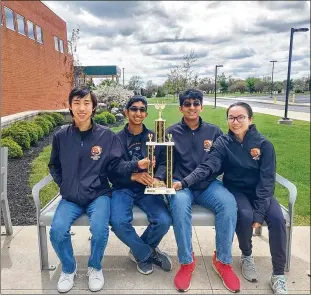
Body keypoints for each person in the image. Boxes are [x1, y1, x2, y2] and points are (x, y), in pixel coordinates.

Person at [174, 102, 288, 294]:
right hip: (237, 190)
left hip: (261, 191)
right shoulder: (223, 143)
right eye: (231, 118)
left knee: (277, 219)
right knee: (243, 213)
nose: (235, 122)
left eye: (240, 117)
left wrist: (260, 212)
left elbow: (267, 181)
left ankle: (278, 274)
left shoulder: (264, 144)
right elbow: (208, 166)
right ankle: (246, 255)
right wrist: (185, 182)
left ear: (250, 119)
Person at [48, 88, 150, 293]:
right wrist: (64, 184)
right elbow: (53, 165)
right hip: (71, 198)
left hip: (98, 195)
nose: (82, 107)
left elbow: (115, 166)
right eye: (77, 103)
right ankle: (69, 268)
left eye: (86, 103)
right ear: (70, 106)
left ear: (93, 107)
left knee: (100, 230)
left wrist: (135, 164)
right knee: (57, 231)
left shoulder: (106, 136)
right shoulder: (61, 136)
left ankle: (95, 267)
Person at [158, 89, 240, 293]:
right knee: (178, 204)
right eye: (187, 104)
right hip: (179, 186)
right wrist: (160, 177)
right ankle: (187, 262)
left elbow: (218, 162)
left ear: (201, 106)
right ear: (180, 108)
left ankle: (222, 260)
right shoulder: (170, 132)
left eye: (196, 103)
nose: (192, 107)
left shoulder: (214, 132)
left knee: (228, 204)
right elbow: (163, 161)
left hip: (207, 185)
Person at [109, 95, 172, 275]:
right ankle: (145, 253)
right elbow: (112, 168)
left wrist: (157, 177)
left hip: (147, 189)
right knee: (119, 222)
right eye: (134, 109)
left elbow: (164, 162)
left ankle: (138, 249)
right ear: (126, 112)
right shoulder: (116, 139)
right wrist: (134, 176)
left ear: (146, 114)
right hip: (123, 187)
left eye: (142, 109)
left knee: (164, 220)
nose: (138, 113)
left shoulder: (154, 136)